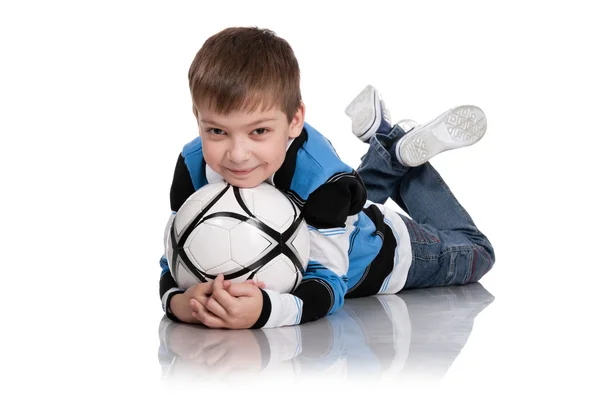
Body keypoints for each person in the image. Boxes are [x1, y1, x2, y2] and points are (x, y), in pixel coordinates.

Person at [158, 27, 495, 329]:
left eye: (259, 131)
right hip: (336, 213)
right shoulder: (191, 163)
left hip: (386, 254)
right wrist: (179, 301)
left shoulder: (322, 182)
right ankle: (388, 150)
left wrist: (266, 311)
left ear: (294, 121)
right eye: (217, 130)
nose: (237, 153)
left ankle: (400, 154)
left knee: (479, 251)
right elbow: (173, 256)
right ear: (197, 118)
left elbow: (330, 282)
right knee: (340, 197)